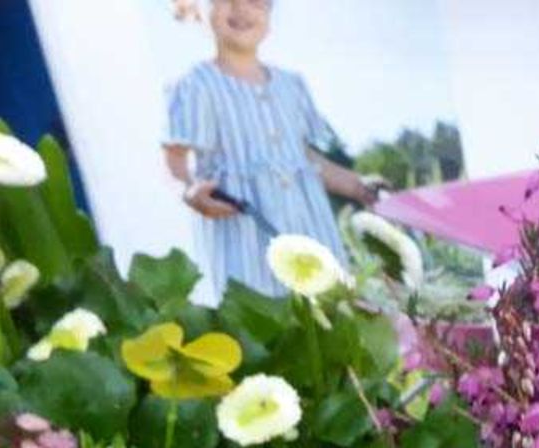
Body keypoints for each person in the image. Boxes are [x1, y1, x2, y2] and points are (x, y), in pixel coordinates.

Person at [161, 0, 380, 297]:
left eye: (255, 1)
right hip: (245, 236)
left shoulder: (291, 85)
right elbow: (175, 160)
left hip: (310, 231)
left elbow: (305, 158)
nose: (241, 10)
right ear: (196, 8)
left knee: (327, 312)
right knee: (261, 323)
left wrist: (357, 186)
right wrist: (190, 190)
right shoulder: (196, 86)